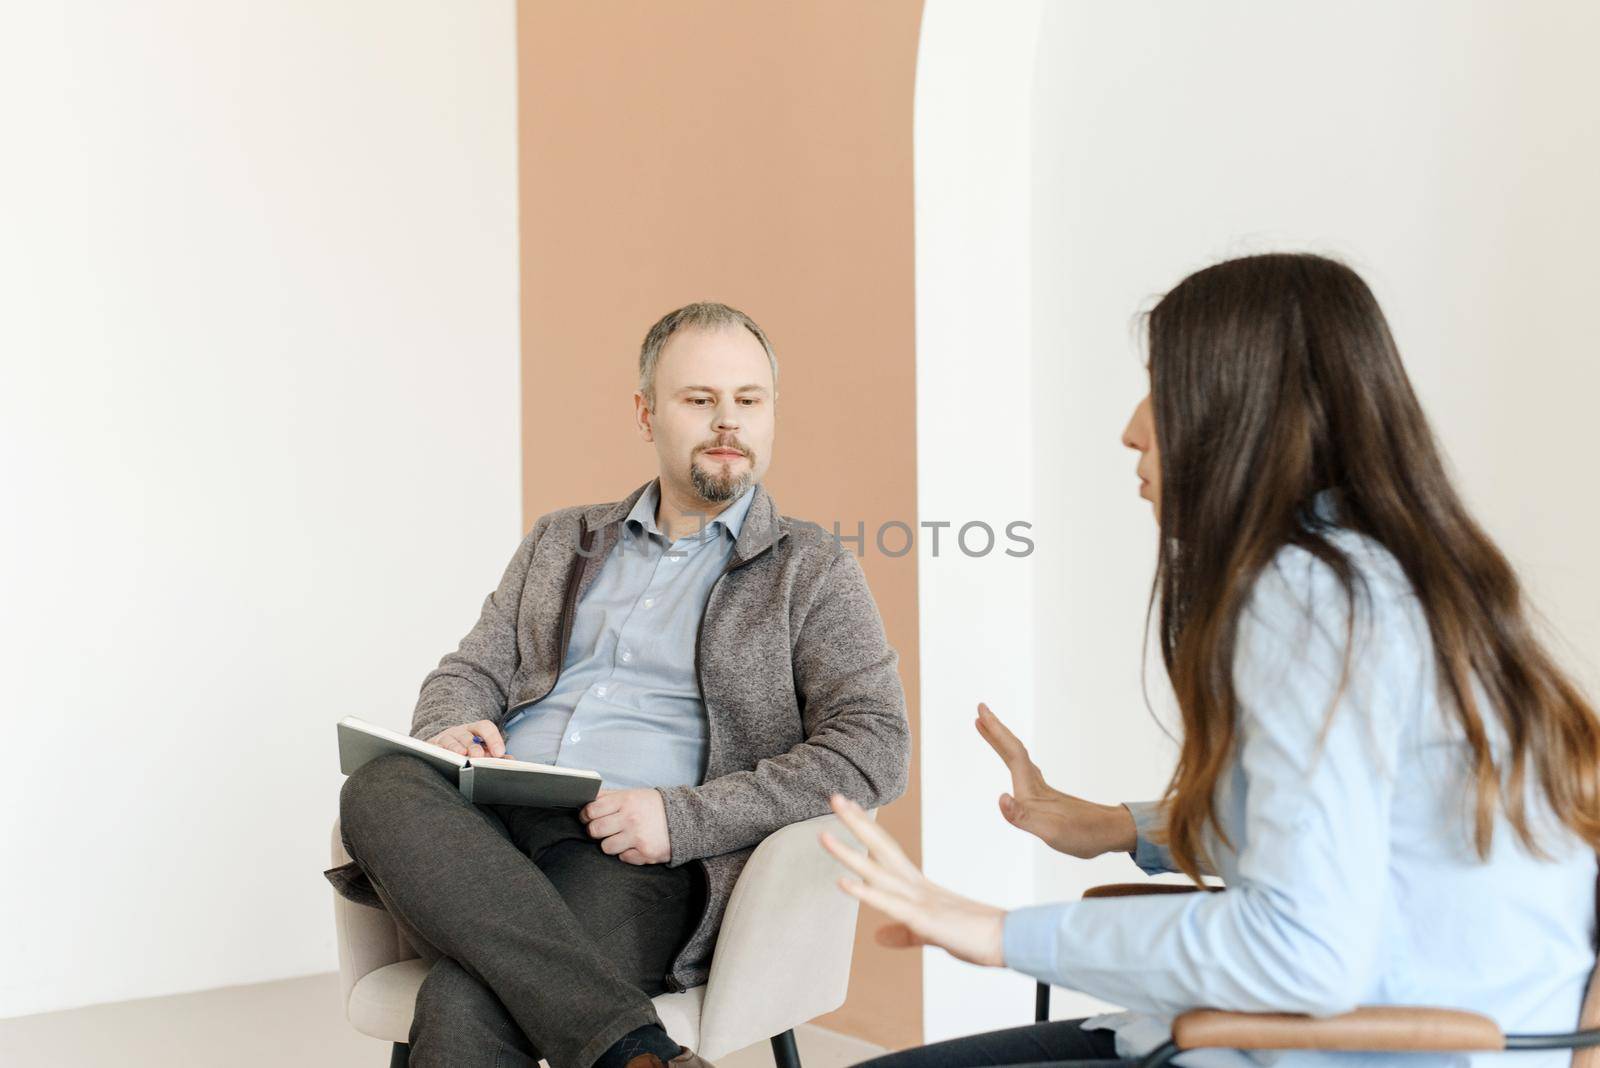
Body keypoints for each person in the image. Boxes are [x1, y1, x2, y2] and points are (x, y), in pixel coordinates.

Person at [820, 253, 1600, 1068]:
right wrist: (1123, 829)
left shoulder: (1307, 595)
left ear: (1244, 412)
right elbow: (1365, 833)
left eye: (1162, 385)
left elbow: (1304, 948)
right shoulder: (1398, 575)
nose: (1132, 427)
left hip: (1370, 1043)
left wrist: (992, 931)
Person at [327, 302, 911, 1068]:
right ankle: (637, 1049)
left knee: (466, 1000)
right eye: (700, 400)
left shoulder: (812, 568)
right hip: (493, 820)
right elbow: (468, 669)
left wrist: (683, 818)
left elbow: (874, 749)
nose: (727, 422)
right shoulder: (561, 541)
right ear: (647, 414)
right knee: (381, 785)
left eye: (749, 400)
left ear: (771, 414)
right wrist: (453, 721)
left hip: (636, 859)